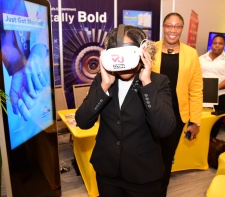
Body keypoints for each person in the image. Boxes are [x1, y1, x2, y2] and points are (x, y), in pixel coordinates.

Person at [75, 25, 176, 197]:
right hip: (108, 173)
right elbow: (83, 122)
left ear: (142, 51)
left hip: (143, 175)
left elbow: (164, 129)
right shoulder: (102, 80)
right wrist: (104, 85)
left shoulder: (157, 82)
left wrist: (146, 83)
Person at [152, 12, 203, 196]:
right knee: (148, 157)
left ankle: (160, 193)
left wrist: (195, 121)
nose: (173, 30)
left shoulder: (191, 54)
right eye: (169, 25)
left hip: (175, 117)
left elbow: (196, 90)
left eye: (177, 26)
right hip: (150, 113)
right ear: (163, 27)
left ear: (182, 29)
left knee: (166, 158)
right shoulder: (150, 49)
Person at [199, 33, 225, 138]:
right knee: (201, 121)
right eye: (215, 43)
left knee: (215, 124)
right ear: (212, 44)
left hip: (223, 96)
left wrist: (212, 89)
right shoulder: (201, 58)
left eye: (220, 43)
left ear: (224, 45)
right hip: (203, 96)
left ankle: (211, 145)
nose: (217, 45)